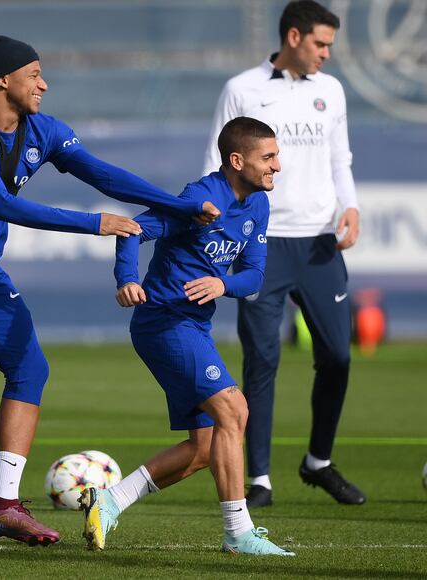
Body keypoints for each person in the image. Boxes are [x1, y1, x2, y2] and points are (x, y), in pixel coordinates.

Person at [0, 35, 221, 551]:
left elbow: (103, 174)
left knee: (31, 369)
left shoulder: (44, 130)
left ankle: (3, 507)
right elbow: (5, 206)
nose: (44, 84)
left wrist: (177, 207)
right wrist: (96, 224)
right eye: (34, 73)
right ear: (3, 79)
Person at [81, 116, 293, 556]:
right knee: (234, 410)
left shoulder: (257, 204)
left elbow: (252, 276)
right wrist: (126, 279)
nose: (278, 166)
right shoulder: (200, 197)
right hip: (163, 322)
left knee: (204, 447)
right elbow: (134, 229)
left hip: (193, 325)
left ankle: (111, 500)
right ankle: (238, 533)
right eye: (268, 157)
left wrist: (223, 285)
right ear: (237, 160)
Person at [202, 0, 364, 508]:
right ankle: (260, 480)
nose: (326, 55)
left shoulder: (331, 91)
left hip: (319, 242)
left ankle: (318, 462)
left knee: (337, 355)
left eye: (329, 45)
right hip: (263, 244)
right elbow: (215, 159)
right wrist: (222, 226)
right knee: (262, 358)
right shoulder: (242, 88)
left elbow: (341, 157)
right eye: (320, 44)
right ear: (293, 37)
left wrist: (352, 206)